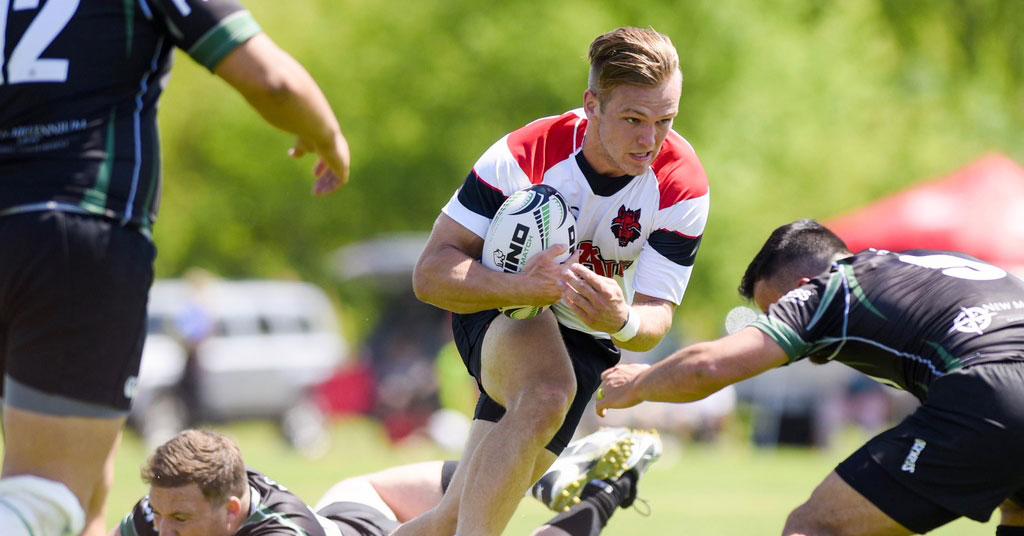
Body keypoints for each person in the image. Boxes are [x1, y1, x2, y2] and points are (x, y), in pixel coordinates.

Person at [0, 1, 350, 534]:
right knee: (44, 498)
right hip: (76, 232)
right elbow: (272, 81)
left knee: (92, 485)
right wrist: (326, 134)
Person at [405, 26, 709, 536]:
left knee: (451, 517)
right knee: (547, 391)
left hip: (587, 339)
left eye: (665, 120)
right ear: (591, 104)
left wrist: (623, 319)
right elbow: (431, 273)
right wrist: (521, 289)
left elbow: (655, 319)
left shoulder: (681, 183)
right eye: (633, 119)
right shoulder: (525, 155)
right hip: (502, 307)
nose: (650, 139)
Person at [597, 219, 1024, 535]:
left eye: (774, 312)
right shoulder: (917, 264)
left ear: (801, 286)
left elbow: (707, 367)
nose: (779, 327)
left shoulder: (832, 287)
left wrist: (635, 384)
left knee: (813, 527)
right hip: (1002, 389)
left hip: (987, 389)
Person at [107, 427, 662, 536]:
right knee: (478, 487)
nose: (165, 530)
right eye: (161, 516)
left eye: (180, 521)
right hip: (356, 503)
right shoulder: (167, 506)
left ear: (232, 510)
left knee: (480, 517)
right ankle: (551, 473)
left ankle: (606, 490)